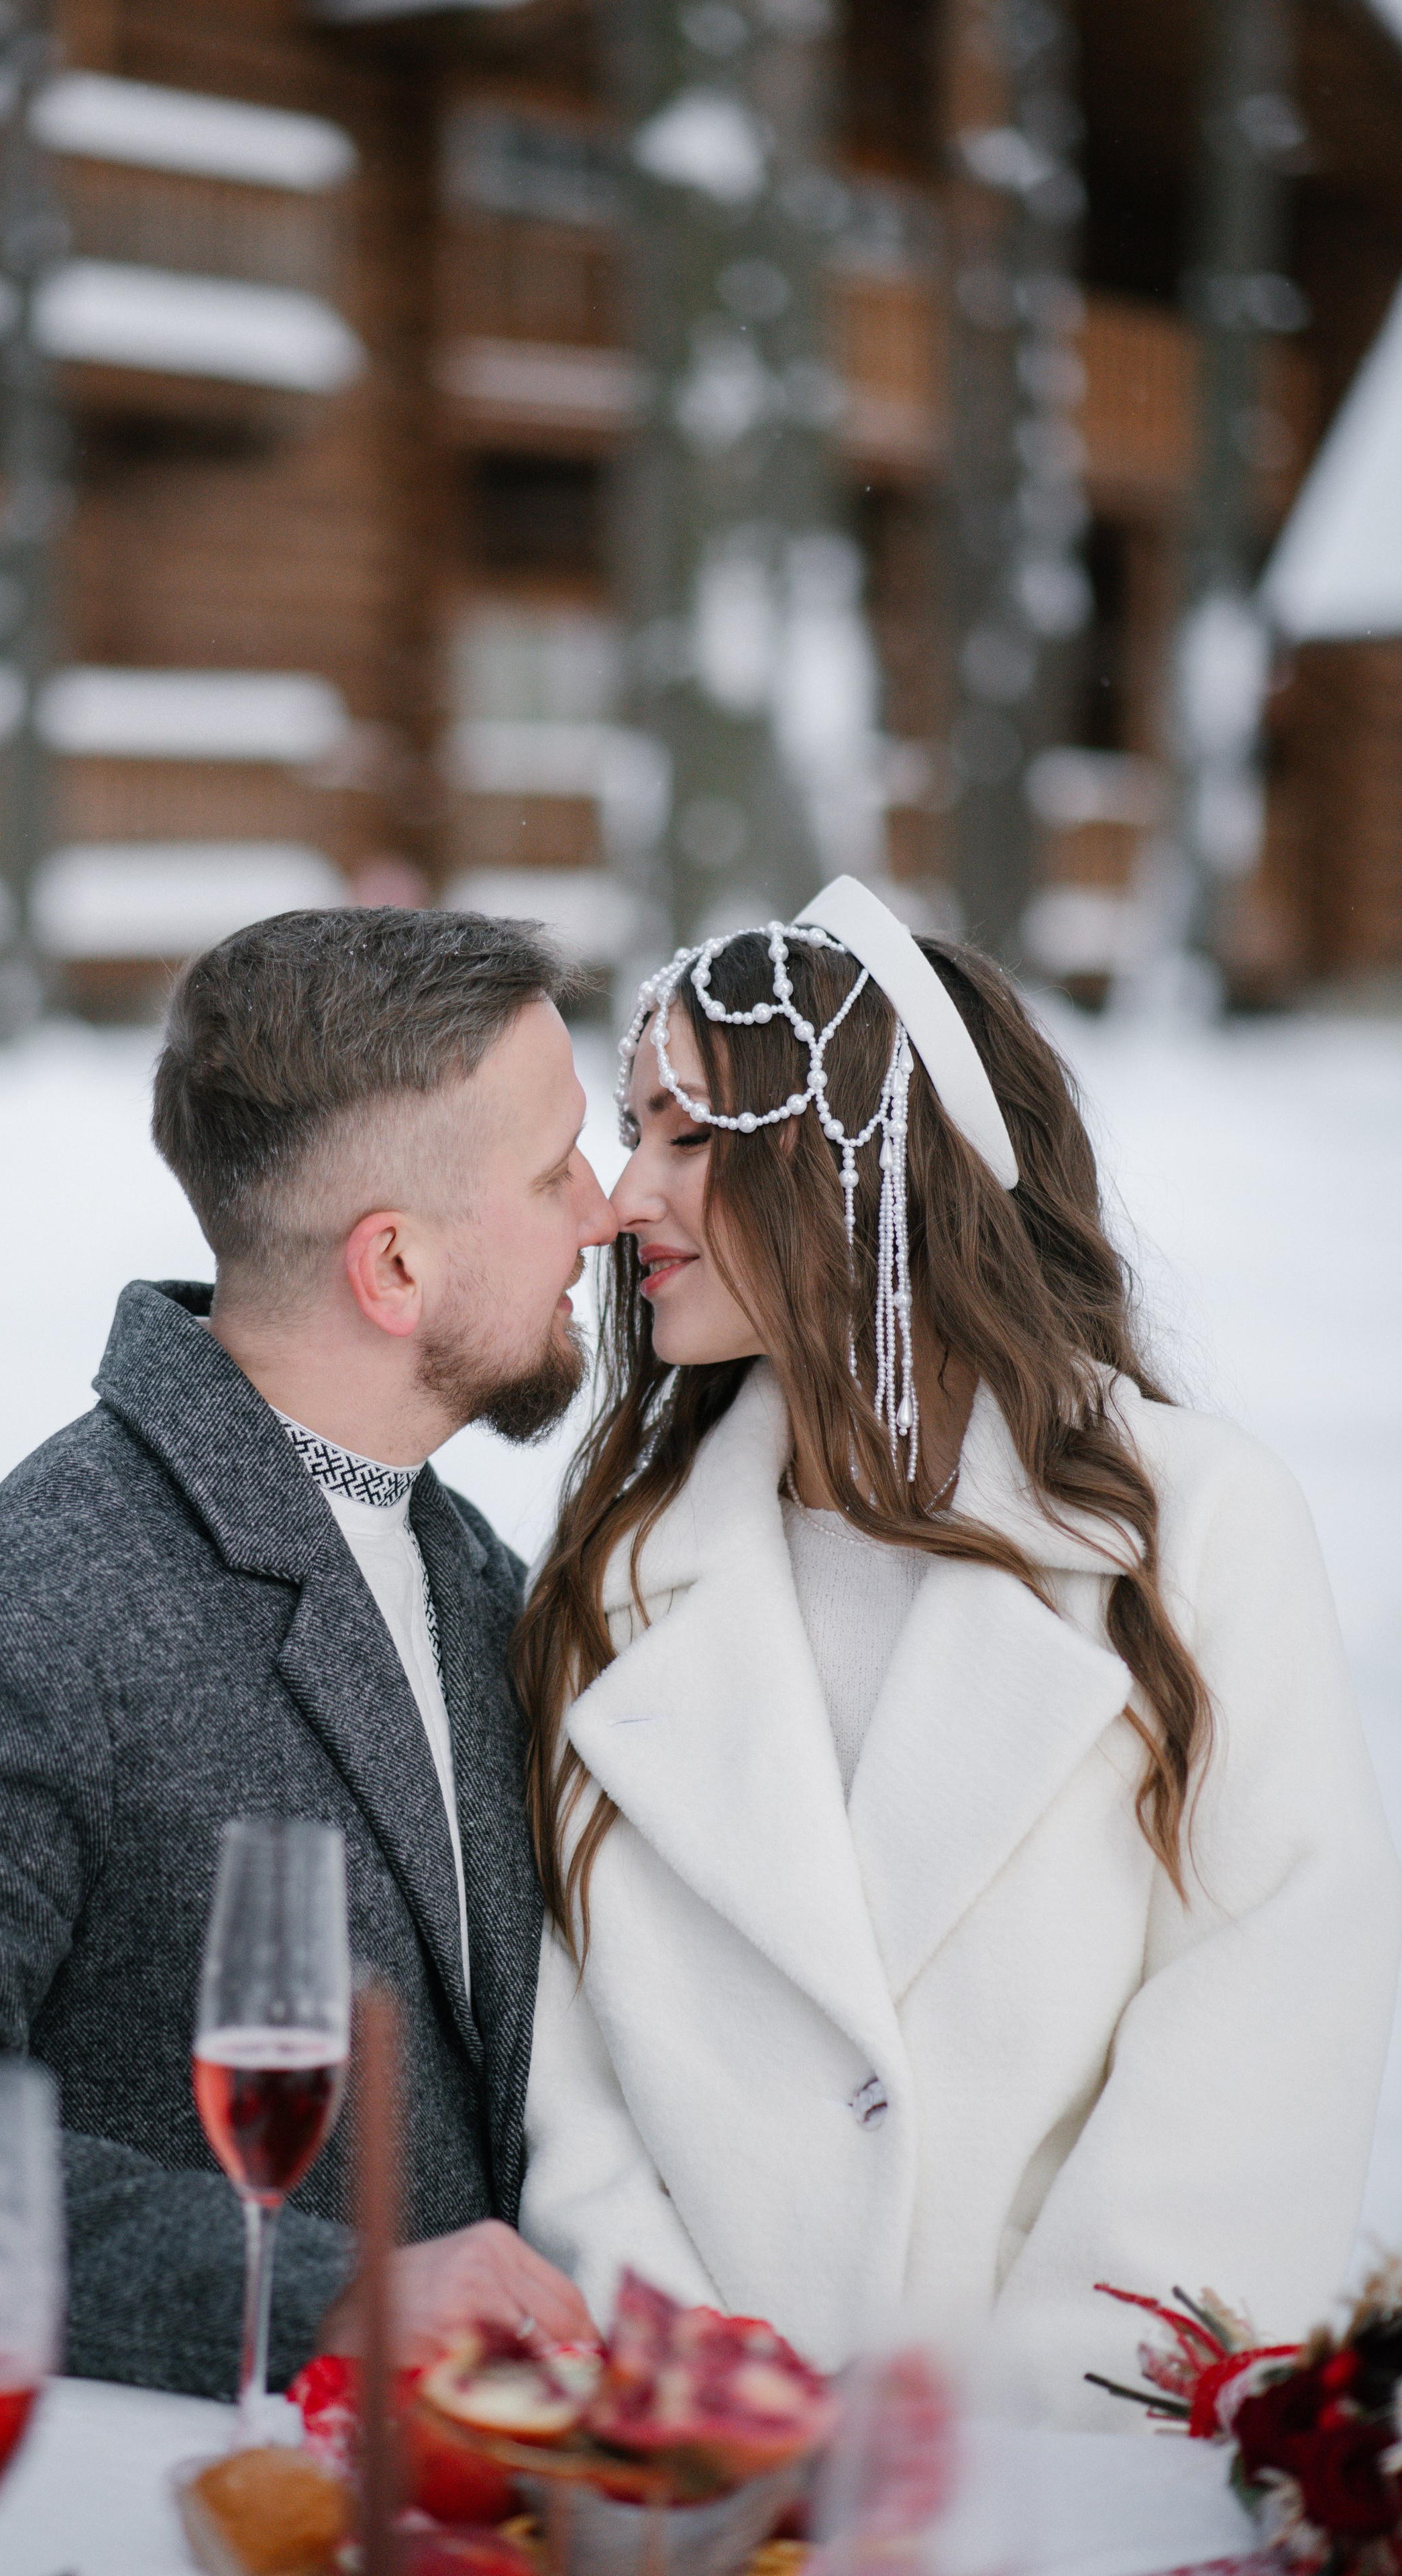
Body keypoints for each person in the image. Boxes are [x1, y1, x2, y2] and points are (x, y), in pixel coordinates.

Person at [513, 876, 1401, 2424]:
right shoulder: (611, 1583)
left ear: (859, 1152)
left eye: (684, 1136)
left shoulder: (1190, 1532)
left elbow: (1260, 2037)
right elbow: (563, 2081)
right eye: (627, 1131)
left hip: (1063, 2484)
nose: (618, 1200)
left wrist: (1012, 2452)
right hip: (702, 2491)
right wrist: (710, 2408)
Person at [0, 906, 610, 2398]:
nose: (601, 1208)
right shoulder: (19, 1615)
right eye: (551, 1169)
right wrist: (324, 2301)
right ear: (390, 1268)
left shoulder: (481, 1583)